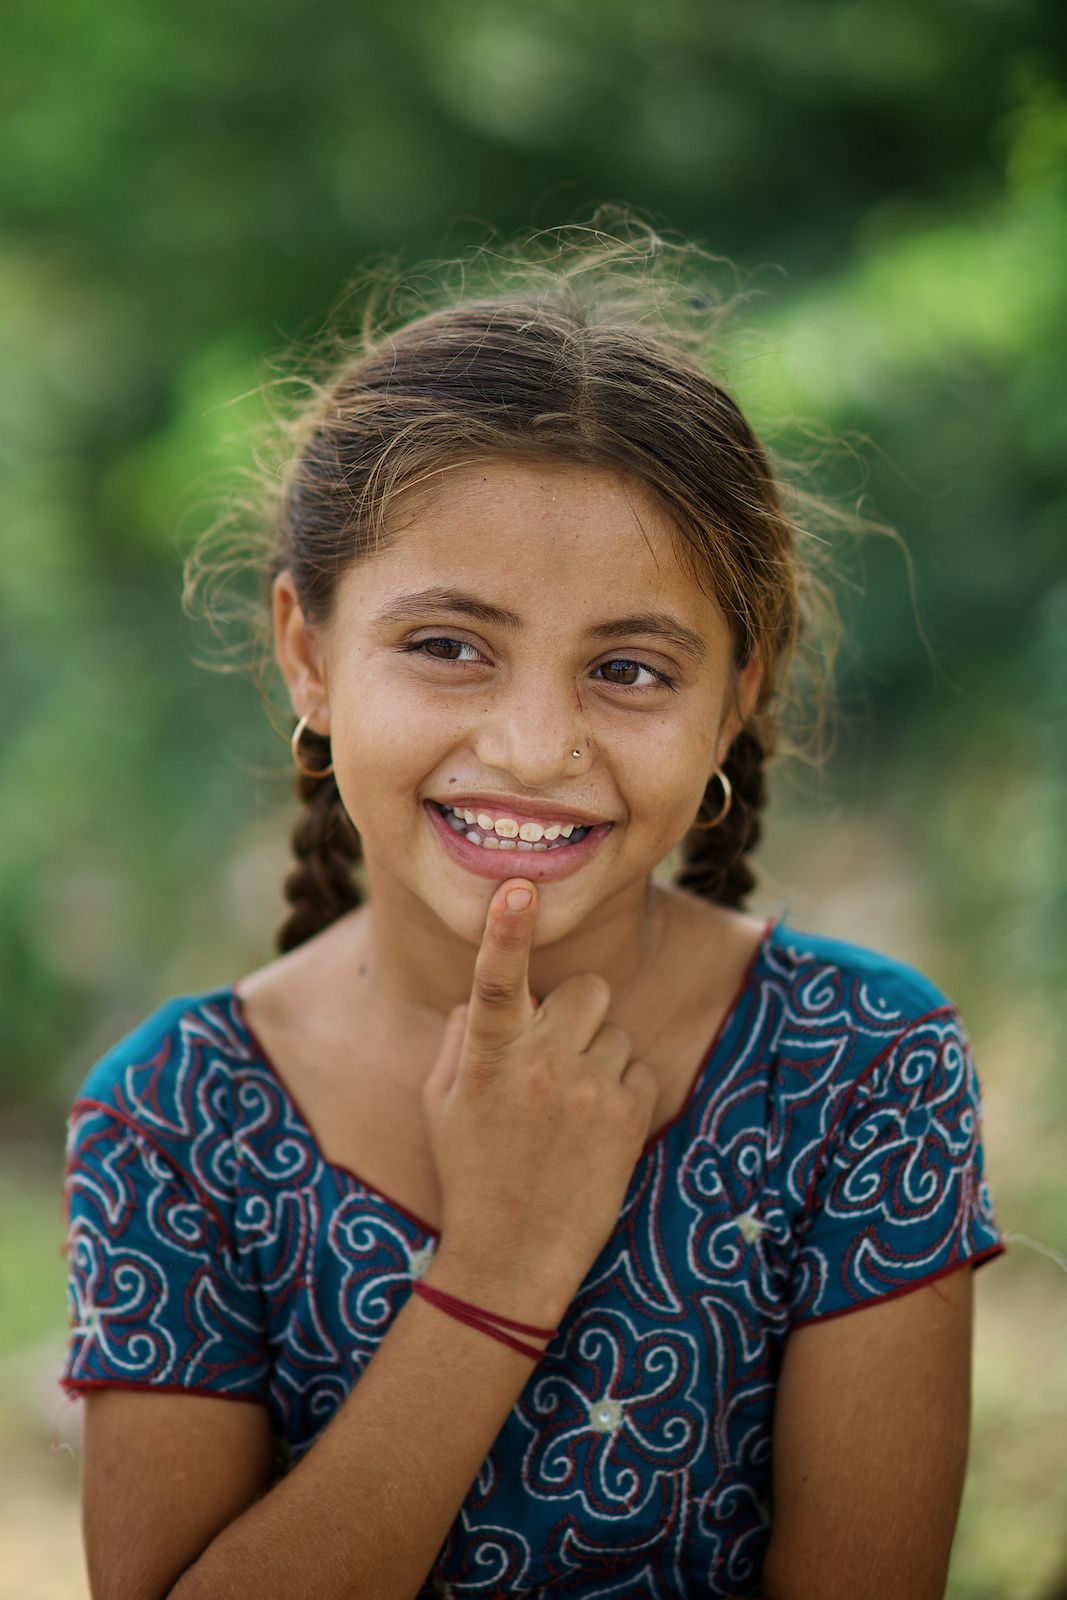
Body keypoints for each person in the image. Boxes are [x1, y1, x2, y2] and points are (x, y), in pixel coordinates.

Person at [57, 224, 1007, 1600]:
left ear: (734, 701)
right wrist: (497, 1270)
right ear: (309, 657)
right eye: (450, 648)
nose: (535, 746)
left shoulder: (860, 1072)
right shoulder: (178, 1121)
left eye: (629, 668)